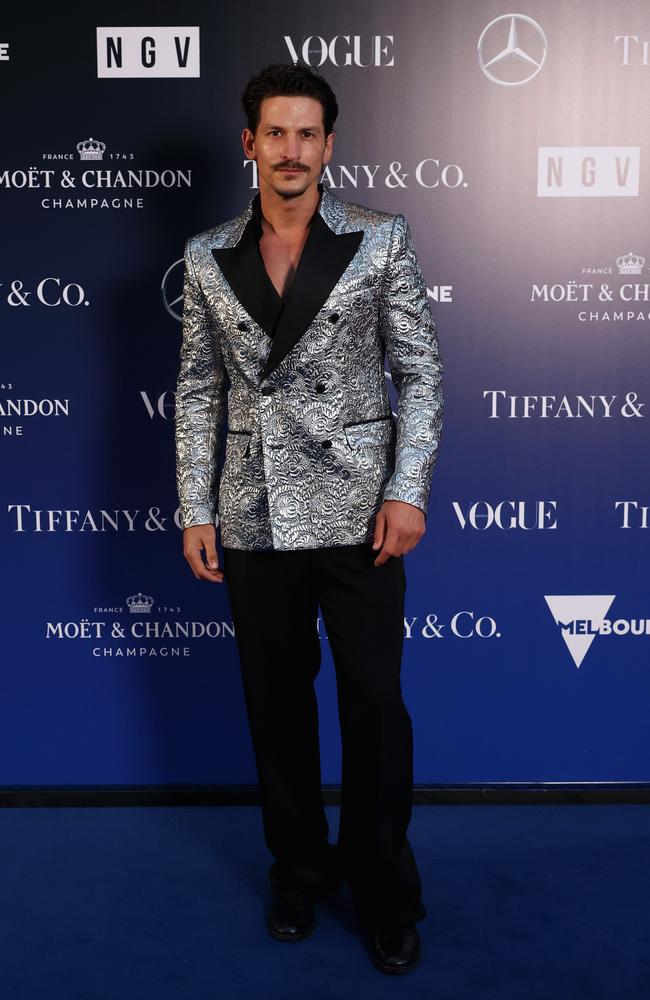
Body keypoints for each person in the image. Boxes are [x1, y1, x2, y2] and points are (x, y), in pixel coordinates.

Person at [174, 62, 443, 974]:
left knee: (375, 707)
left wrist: (407, 490)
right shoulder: (208, 254)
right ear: (248, 143)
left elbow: (423, 371)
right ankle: (297, 869)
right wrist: (195, 507)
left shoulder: (380, 240)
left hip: (362, 513)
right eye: (275, 133)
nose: (291, 151)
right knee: (276, 708)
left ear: (330, 145)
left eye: (308, 134)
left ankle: (383, 888)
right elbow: (198, 387)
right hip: (253, 516)